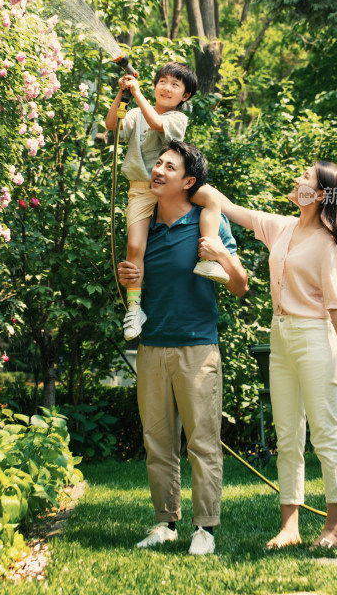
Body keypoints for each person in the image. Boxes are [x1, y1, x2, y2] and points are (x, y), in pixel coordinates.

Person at [210, 161, 337, 550]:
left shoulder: (328, 244)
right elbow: (230, 209)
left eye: (307, 178)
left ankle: (334, 528)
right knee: (287, 435)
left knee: (325, 435)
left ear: (322, 195)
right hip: (281, 336)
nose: (298, 180)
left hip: (314, 337)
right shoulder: (282, 226)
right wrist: (190, 183)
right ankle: (290, 527)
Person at [118, 140, 249, 555]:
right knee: (157, 441)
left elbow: (241, 286)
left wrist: (222, 259)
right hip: (153, 348)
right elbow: (135, 280)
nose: (157, 170)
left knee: (202, 442)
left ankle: (205, 529)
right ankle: (164, 523)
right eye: (157, 163)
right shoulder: (143, 224)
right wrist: (127, 276)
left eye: (168, 167)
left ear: (188, 181)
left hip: (198, 348)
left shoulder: (207, 222)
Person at [106, 63, 229, 342]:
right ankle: (135, 308)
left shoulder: (176, 119)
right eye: (162, 81)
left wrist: (137, 94)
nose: (167, 87)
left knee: (209, 197)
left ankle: (208, 259)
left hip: (171, 188)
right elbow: (112, 124)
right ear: (154, 85)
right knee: (135, 246)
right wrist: (122, 95)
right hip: (141, 189)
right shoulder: (136, 112)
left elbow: (157, 124)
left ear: (185, 96)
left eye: (175, 85)